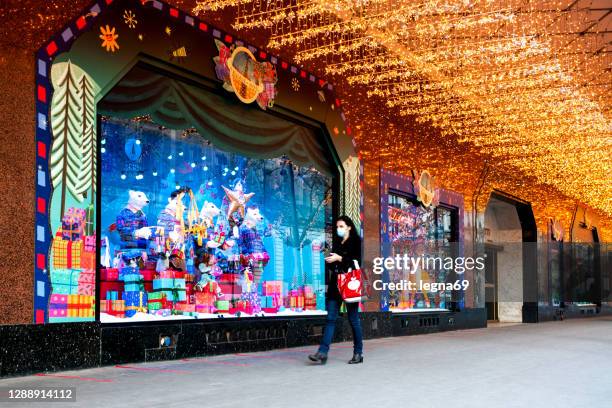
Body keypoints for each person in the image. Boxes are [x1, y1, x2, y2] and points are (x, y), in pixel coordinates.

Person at [309, 215, 364, 364]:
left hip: (350, 284)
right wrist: (328, 256)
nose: (338, 229)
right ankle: (322, 352)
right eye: (337, 227)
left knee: (353, 319)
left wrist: (340, 258)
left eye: (341, 226)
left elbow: (357, 263)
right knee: (330, 318)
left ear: (349, 227)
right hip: (336, 285)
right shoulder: (338, 242)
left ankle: (358, 352)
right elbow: (333, 266)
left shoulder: (356, 242)